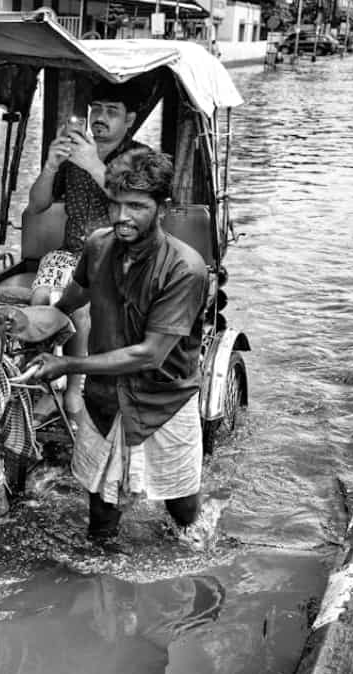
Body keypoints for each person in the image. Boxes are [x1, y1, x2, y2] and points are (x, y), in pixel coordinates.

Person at [25, 147, 214, 551]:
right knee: (100, 514)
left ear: (162, 208)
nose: (122, 216)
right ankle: (100, 576)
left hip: (163, 399)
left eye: (137, 206)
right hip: (104, 398)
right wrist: (41, 325)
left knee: (182, 509)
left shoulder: (185, 268)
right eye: (116, 204)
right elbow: (74, 297)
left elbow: (149, 354)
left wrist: (68, 364)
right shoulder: (98, 245)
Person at [21, 80, 150, 415]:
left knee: (80, 306)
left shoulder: (140, 158)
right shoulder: (73, 157)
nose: (101, 118)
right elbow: (36, 206)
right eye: (97, 110)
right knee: (39, 299)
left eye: (112, 111)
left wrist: (93, 163)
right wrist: (51, 165)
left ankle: (74, 389)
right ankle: (41, 381)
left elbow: (135, 204)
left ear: (129, 119)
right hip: (69, 253)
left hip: (119, 256)